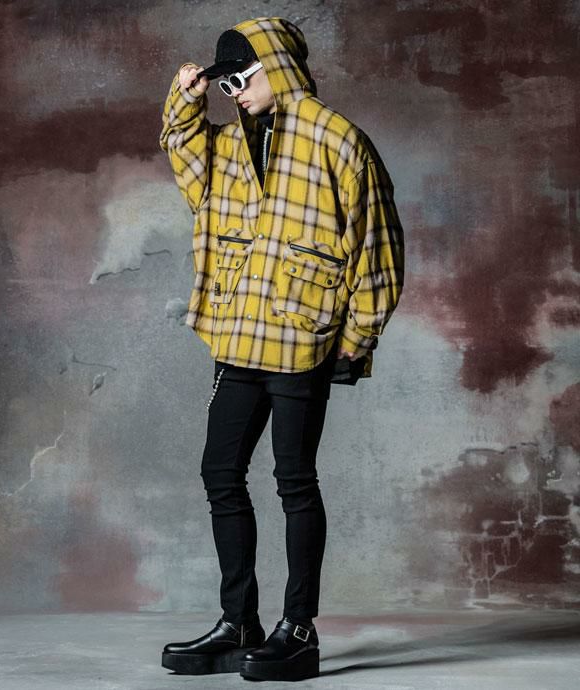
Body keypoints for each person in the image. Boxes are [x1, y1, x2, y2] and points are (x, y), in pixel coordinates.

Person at [158, 16, 404, 682]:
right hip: (239, 335)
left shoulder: (339, 141)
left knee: (294, 480)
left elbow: (377, 246)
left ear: (276, 66)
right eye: (225, 85)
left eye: (240, 78)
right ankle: (239, 622)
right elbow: (185, 159)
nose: (234, 93)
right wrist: (187, 97)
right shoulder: (229, 143)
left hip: (304, 340)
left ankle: (299, 630)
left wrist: (355, 339)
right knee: (220, 473)